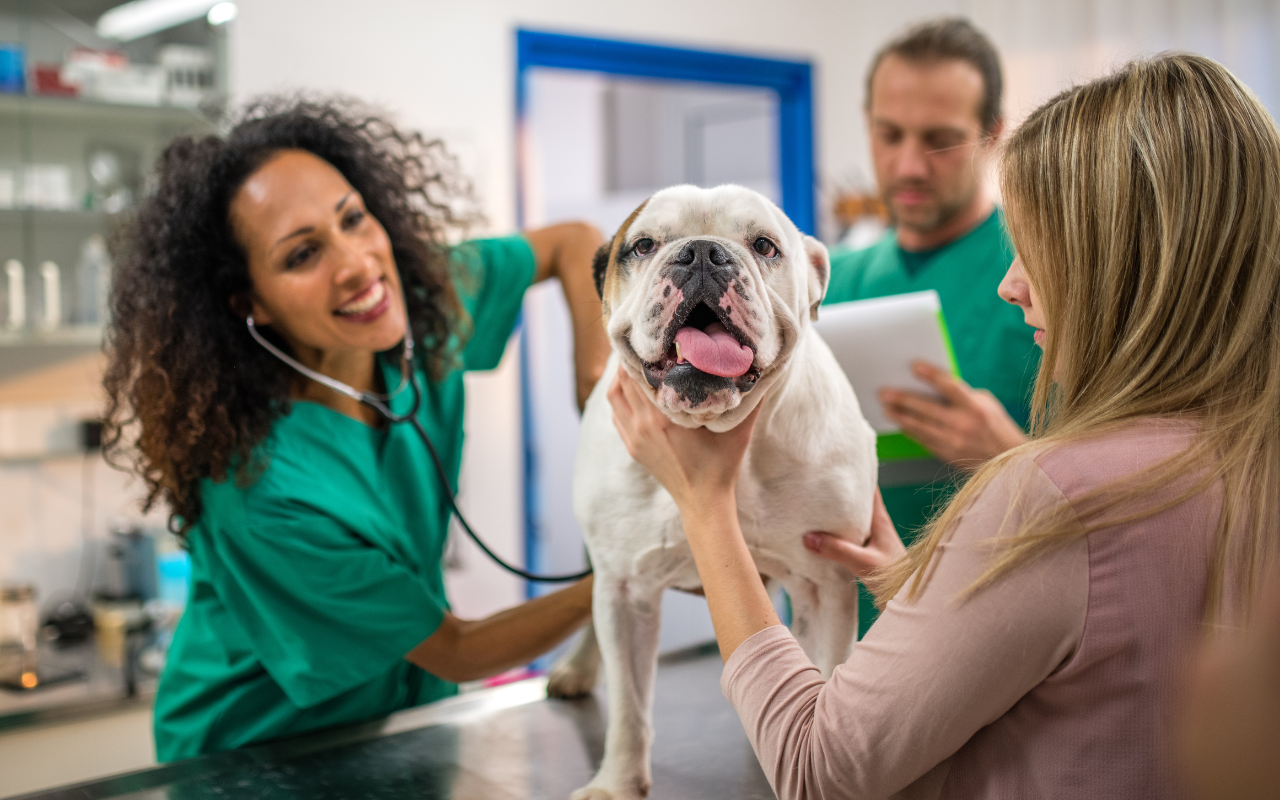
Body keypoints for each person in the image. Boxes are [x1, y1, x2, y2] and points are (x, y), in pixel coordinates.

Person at [610, 52, 1278, 798]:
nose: (1009, 283)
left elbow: (819, 771)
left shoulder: (1057, 492)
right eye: (888, 133)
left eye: (1040, 248)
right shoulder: (1249, 455)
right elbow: (1104, 656)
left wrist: (706, 507)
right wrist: (923, 589)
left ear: (1130, 265)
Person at [102, 99, 610, 761]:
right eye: (303, 254)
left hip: (403, 720)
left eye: (353, 219)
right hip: (257, 753)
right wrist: (633, 571)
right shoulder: (258, 486)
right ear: (249, 303)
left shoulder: (420, 303)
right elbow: (457, 649)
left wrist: (594, 376)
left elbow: (574, 243)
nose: (359, 264)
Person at [815, 18, 1038, 635]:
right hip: (825, 640)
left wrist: (1009, 461)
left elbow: (1128, 499)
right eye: (889, 135)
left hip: (989, 643)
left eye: (939, 140)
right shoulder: (823, 283)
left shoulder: (1047, 279)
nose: (908, 165)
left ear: (992, 134)